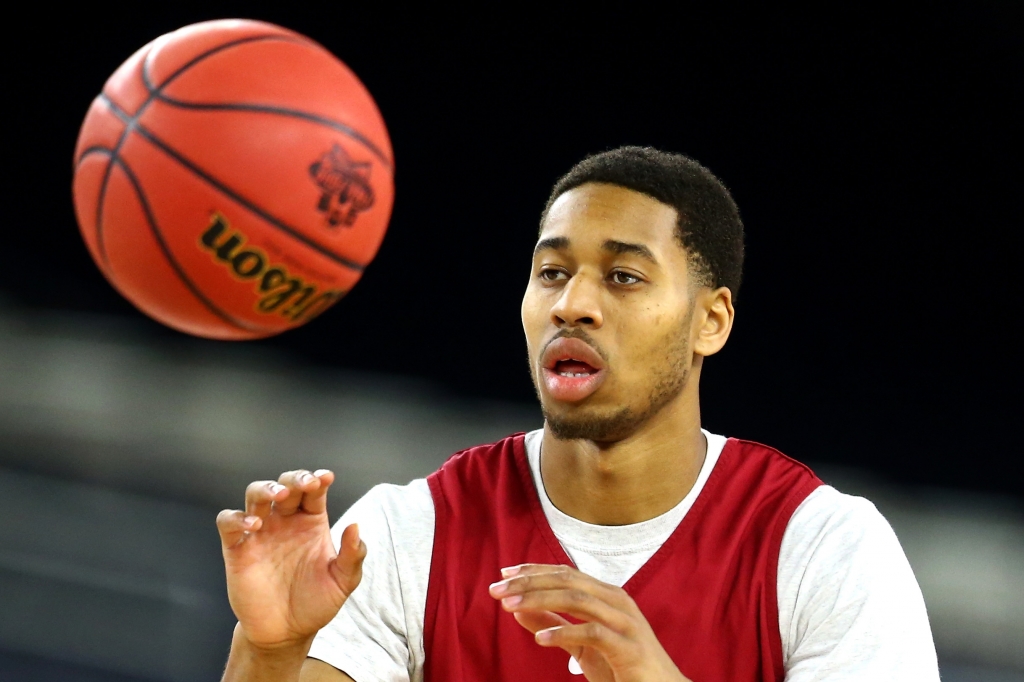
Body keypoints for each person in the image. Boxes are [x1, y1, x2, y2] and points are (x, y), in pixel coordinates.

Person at [216, 147, 939, 682]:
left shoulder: (823, 549)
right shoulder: (405, 536)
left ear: (710, 322)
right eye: (552, 273)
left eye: (623, 277)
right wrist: (269, 649)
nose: (572, 304)